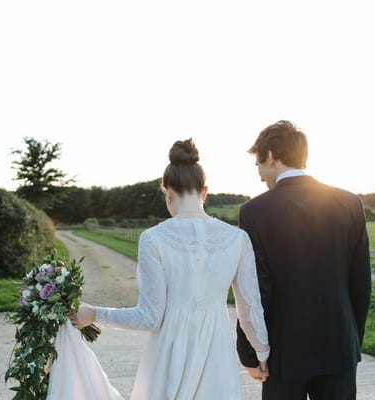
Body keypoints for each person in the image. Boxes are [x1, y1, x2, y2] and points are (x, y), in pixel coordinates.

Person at [69, 139, 270, 400]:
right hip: (216, 359)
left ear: (168, 193)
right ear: (205, 191)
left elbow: (149, 317)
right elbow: (250, 308)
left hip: (168, 357)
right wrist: (261, 353)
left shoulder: (154, 239)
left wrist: (94, 313)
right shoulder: (238, 239)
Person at [236, 120, 371, 400]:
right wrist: (352, 339)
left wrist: (251, 352)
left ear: (271, 157)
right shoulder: (350, 203)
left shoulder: (254, 212)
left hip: (284, 353)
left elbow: (255, 289)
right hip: (339, 345)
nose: (260, 174)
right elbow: (361, 283)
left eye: (258, 164)